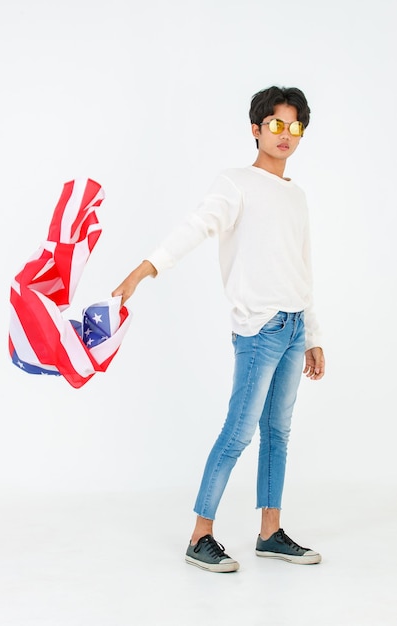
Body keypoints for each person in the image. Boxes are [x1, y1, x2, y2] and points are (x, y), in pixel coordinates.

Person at [112, 85, 325, 573]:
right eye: (276, 124)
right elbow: (197, 227)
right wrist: (146, 269)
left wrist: (313, 334)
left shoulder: (298, 197)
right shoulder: (236, 183)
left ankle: (270, 532)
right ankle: (199, 536)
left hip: (293, 329)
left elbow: (303, 268)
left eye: (295, 126)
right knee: (238, 433)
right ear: (257, 129)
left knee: (279, 433)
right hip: (259, 330)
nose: (285, 134)